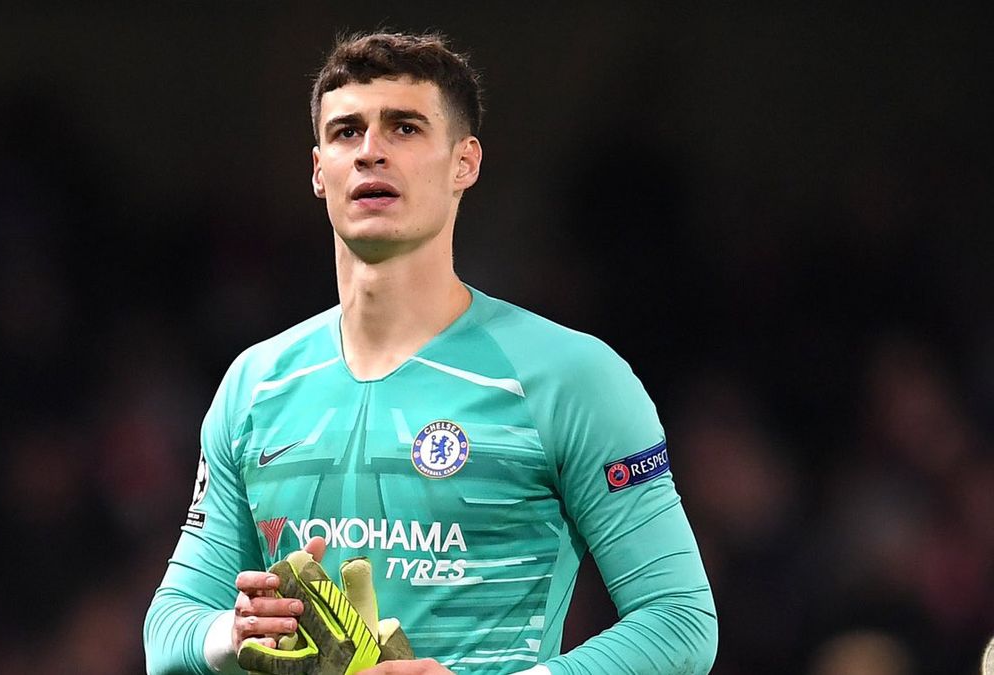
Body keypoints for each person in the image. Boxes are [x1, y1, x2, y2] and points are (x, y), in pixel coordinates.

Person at [144, 30, 717, 675]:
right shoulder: (255, 386)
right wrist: (237, 631)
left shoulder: (572, 378)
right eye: (347, 132)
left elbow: (680, 621)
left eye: (405, 128)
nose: (371, 152)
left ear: (464, 163)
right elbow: (168, 631)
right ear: (319, 171)